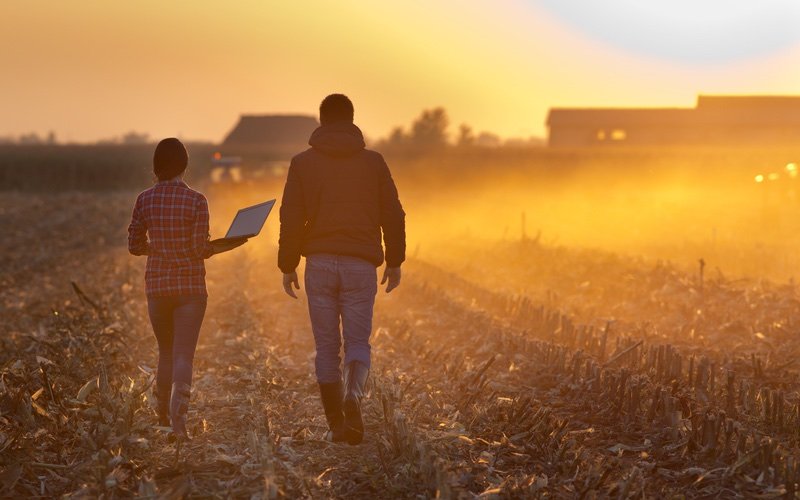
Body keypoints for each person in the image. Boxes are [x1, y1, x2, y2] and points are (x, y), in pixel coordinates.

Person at [278, 94, 406, 445]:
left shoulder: (302, 163)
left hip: (318, 264)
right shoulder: (374, 162)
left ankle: (336, 424)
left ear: (321, 122)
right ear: (351, 120)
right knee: (358, 343)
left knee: (326, 348)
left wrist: (287, 264)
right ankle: (354, 397)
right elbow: (393, 213)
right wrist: (395, 260)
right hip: (360, 265)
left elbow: (290, 217)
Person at [127, 138, 246, 439]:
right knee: (184, 356)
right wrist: (226, 244)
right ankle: (179, 425)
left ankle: (162, 419)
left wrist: (159, 248)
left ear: (155, 166)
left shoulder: (144, 199)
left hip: (157, 287)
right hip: (191, 288)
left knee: (165, 352)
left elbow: (134, 245)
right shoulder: (197, 200)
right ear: (184, 165)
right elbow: (198, 249)